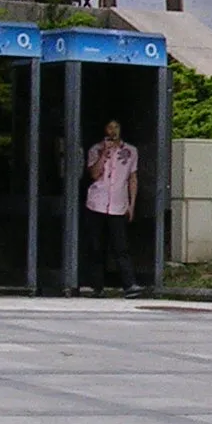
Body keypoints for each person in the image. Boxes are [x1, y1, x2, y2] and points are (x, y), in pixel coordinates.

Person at [81, 120, 141, 297]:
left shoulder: (130, 151)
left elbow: (132, 178)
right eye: (109, 127)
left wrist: (132, 204)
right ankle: (97, 286)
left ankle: (129, 284)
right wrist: (105, 153)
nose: (113, 131)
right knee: (96, 246)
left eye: (116, 127)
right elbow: (94, 174)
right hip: (97, 202)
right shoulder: (95, 149)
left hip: (118, 203)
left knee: (120, 245)